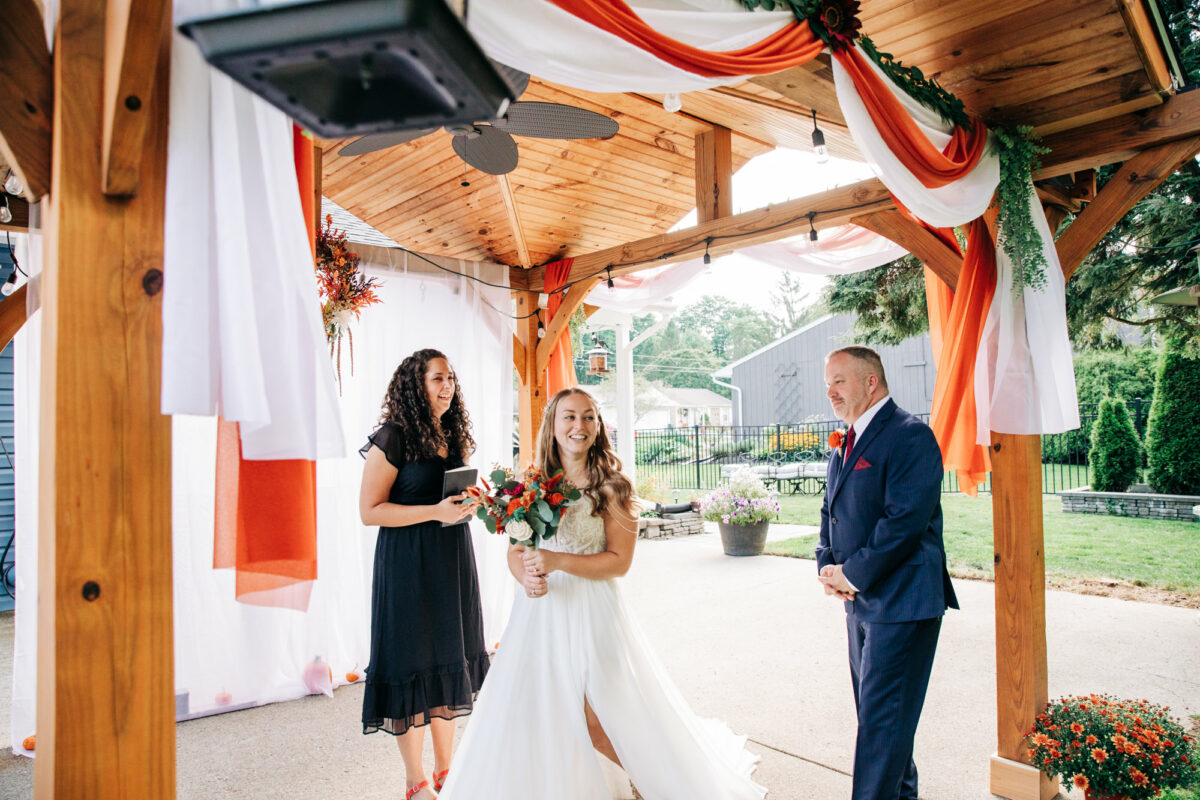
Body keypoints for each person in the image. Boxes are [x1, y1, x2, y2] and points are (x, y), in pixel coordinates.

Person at [438, 387, 766, 800]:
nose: (580, 426)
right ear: (553, 426)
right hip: (539, 614)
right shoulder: (530, 483)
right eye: (570, 417)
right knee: (539, 709)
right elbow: (516, 551)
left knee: (599, 714)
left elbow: (619, 562)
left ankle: (647, 783)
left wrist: (557, 563)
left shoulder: (613, 487)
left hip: (593, 611)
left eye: (589, 417)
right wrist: (527, 577)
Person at [816, 346, 958, 800]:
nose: (830, 391)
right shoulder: (847, 439)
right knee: (884, 719)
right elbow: (829, 510)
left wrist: (851, 574)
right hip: (859, 603)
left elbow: (904, 523)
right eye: (828, 383)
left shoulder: (909, 436)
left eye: (839, 381)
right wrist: (825, 564)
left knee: (880, 723)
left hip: (902, 602)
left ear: (870, 382)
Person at [358, 348, 489, 800]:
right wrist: (433, 511)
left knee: (446, 658)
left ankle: (446, 769)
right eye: (437, 378)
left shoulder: (455, 436)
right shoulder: (392, 437)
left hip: (450, 558)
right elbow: (369, 512)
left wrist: (473, 502)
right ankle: (415, 780)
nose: (447, 385)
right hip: (406, 563)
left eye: (450, 377)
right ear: (416, 383)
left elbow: (455, 497)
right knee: (410, 661)